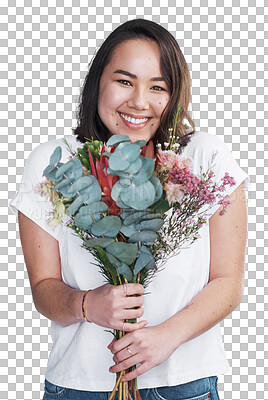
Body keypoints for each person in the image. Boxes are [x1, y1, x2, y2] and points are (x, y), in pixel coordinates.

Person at [9, 18, 248, 400]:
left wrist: (166, 338)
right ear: (97, 82)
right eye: (124, 81)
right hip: (80, 386)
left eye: (158, 87)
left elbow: (227, 285)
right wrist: (87, 304)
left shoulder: (202, 159)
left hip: (184, 385)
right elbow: (43, 290)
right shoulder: (56, 164)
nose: (139, 101)